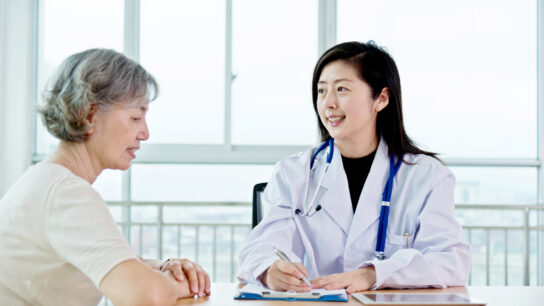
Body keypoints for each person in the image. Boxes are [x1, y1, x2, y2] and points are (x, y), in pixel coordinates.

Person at [237, 41, 471, 293]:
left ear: (381, 98)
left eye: (342, 89)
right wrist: (271, 271)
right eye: (321, 91)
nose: (328, 103)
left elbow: (451, 261)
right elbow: (261, 247)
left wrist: (372, 275)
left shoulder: (427, 176)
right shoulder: (294, 173)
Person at [0, 49, 210, 306]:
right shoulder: (65, 193)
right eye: (135, 117)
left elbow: (108, 260)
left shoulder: (47, 181)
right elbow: (145, 295)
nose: (145, 133)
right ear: (88, 115)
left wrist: (167, 267)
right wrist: (179, 284)